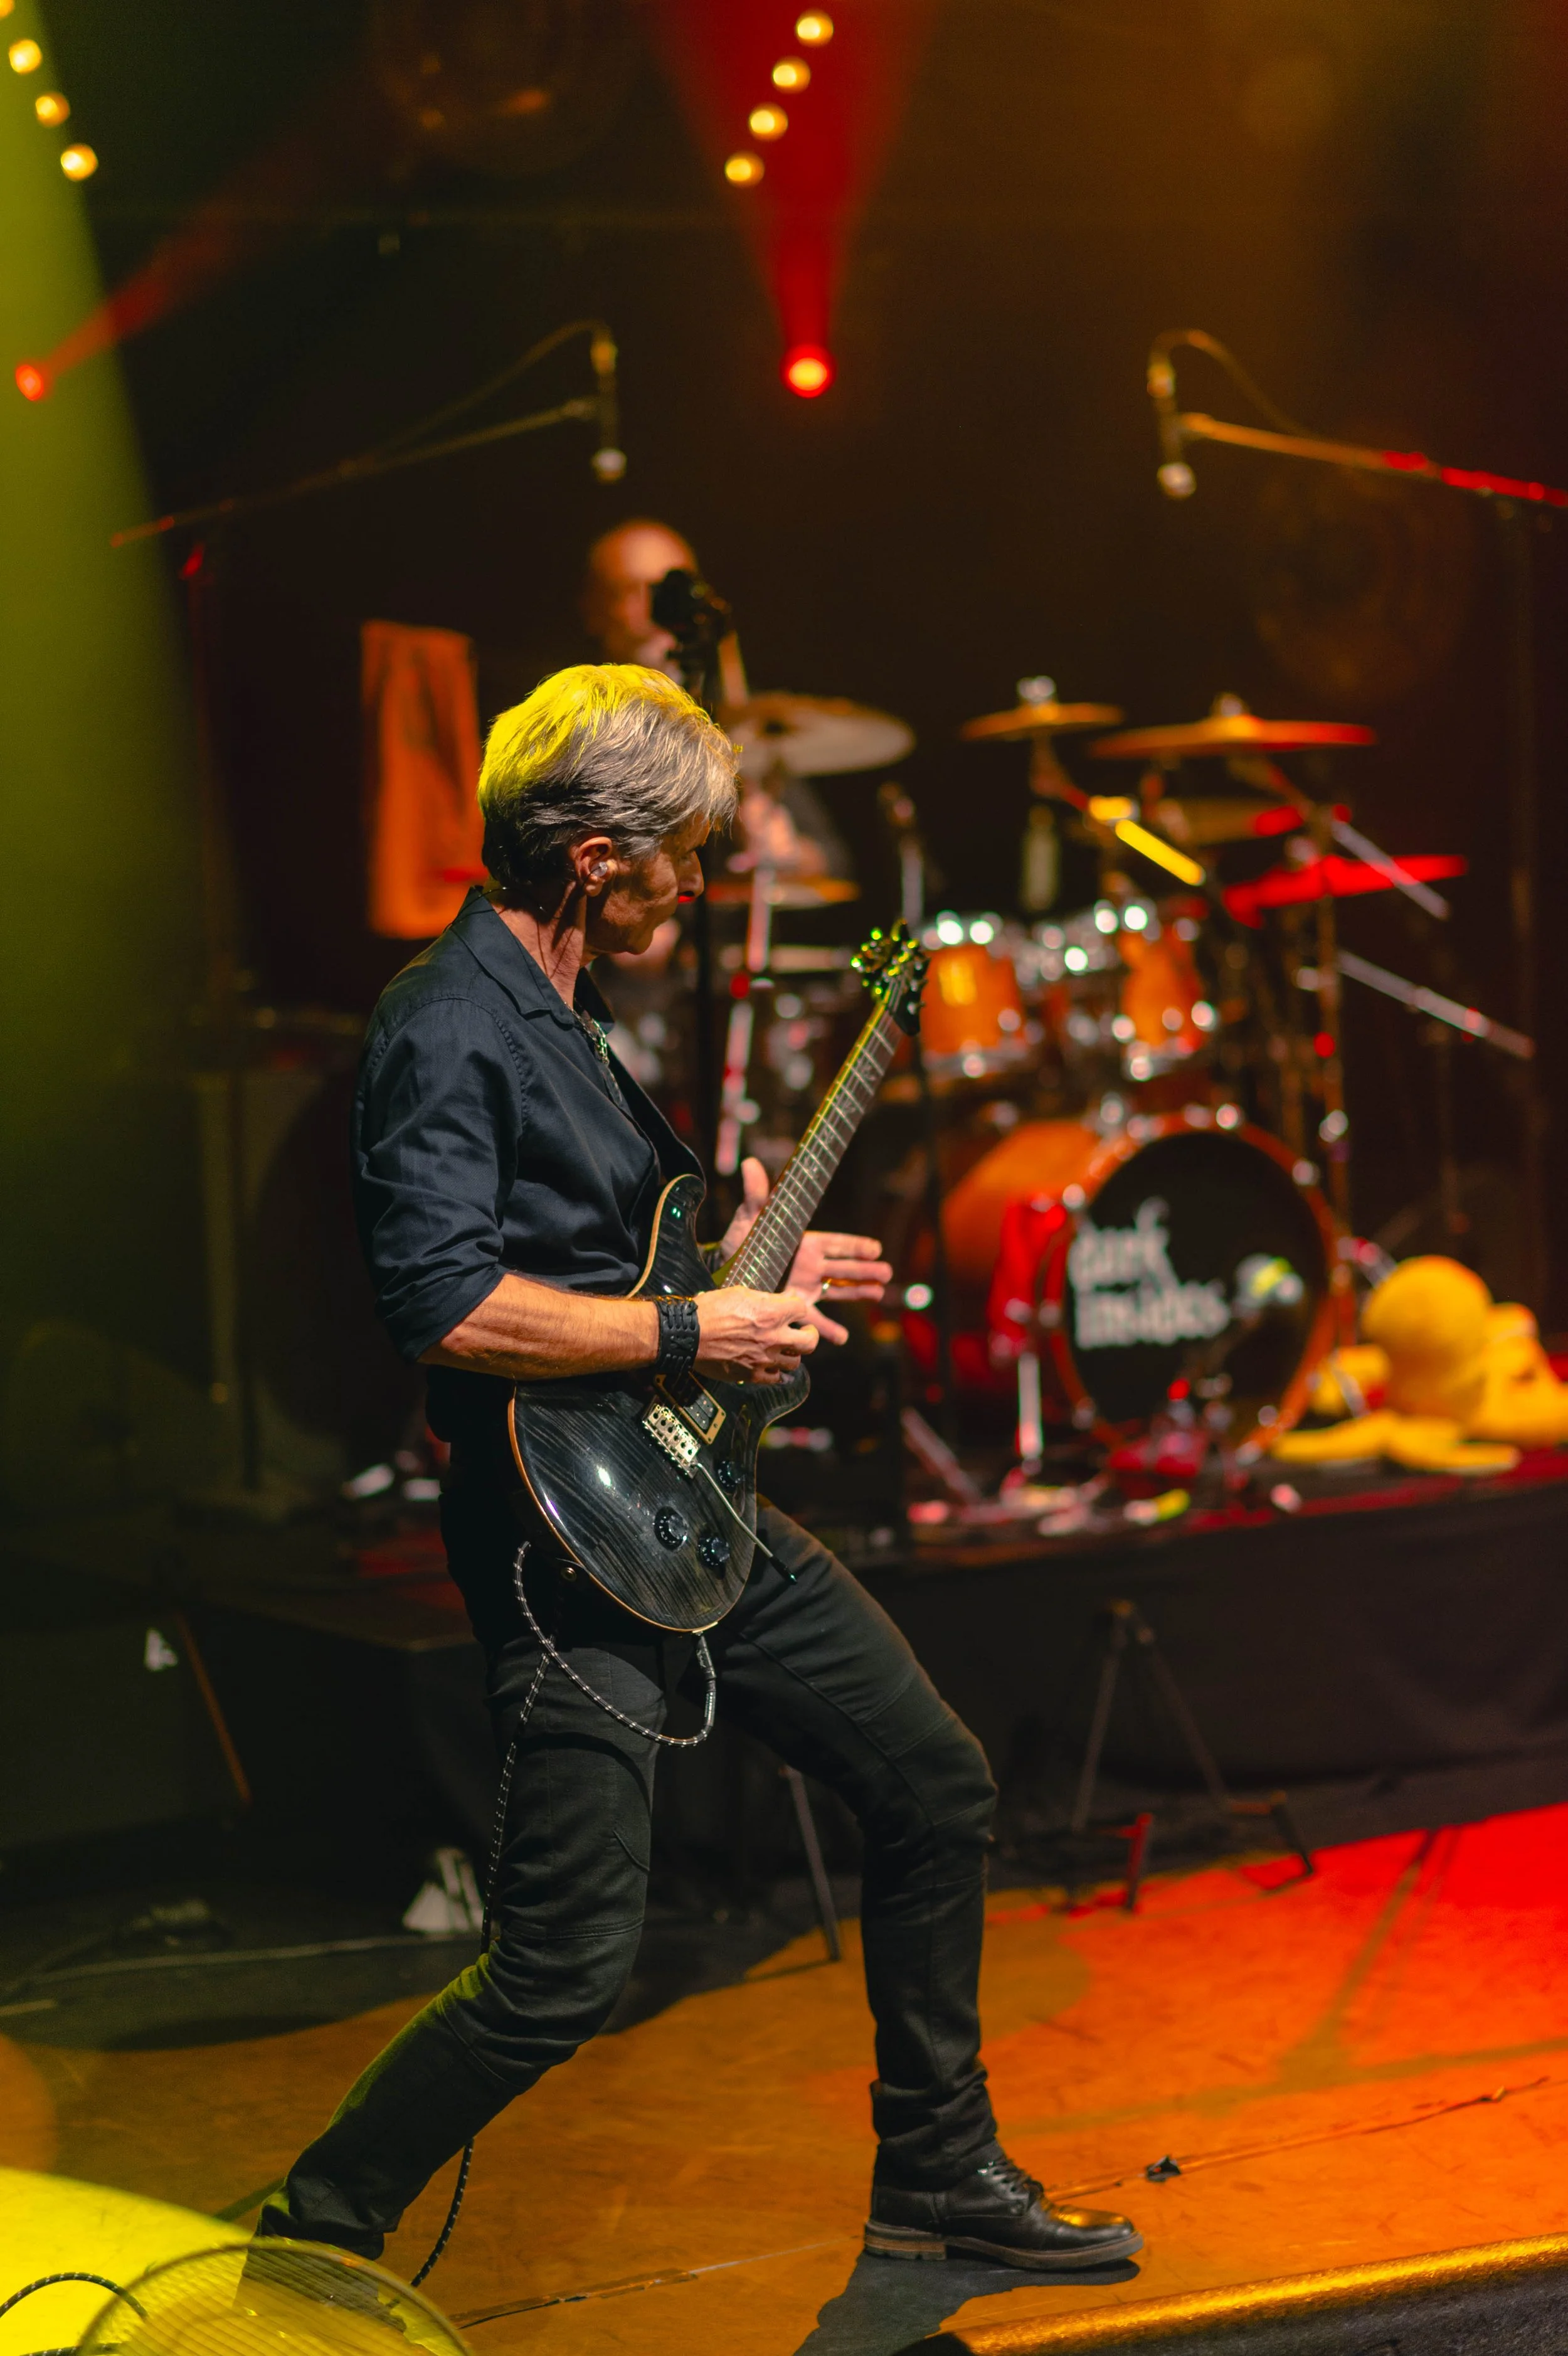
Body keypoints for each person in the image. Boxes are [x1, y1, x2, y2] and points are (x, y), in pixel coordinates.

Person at [257, 664, 1141, 2274]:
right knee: (558, 1973)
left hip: (686, 1502)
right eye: (684, 853)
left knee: (932, 1783)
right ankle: (310, 2229)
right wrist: (689, 1330)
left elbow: (594, 1261)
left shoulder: (565, 1010)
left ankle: (936, 2170)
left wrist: (739, 1269)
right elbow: (442, 1303)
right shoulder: (446, 1023)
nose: (701, 879)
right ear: (596, 854)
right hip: (564, 1539)